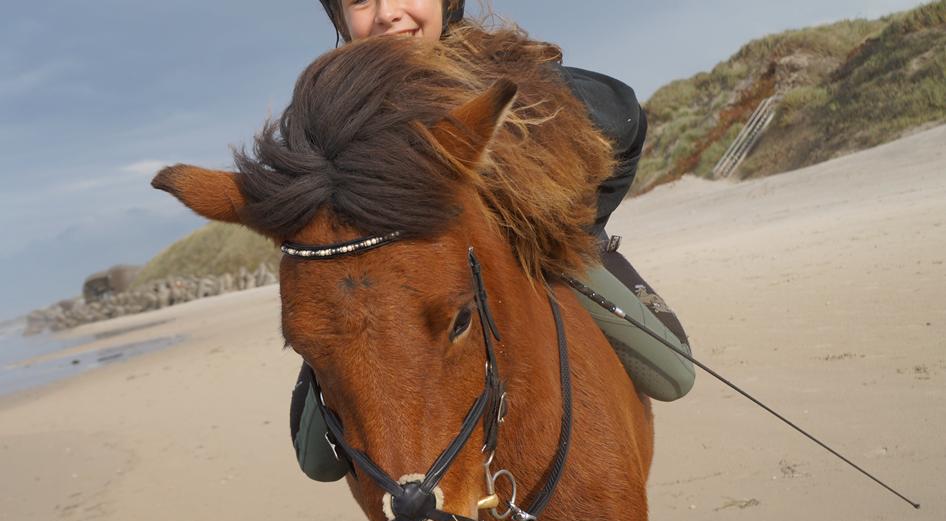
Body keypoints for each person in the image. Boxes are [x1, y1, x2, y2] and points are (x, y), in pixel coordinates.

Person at [292, 0, 695, 481]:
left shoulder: (502, 73)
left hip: (532, 248)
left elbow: (623, 119)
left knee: (673, 372)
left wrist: (570, 234)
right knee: (316, 461)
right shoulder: (326, 114)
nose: (386, 13)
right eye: (361, 1)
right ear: (340, 18)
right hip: (391, 292)